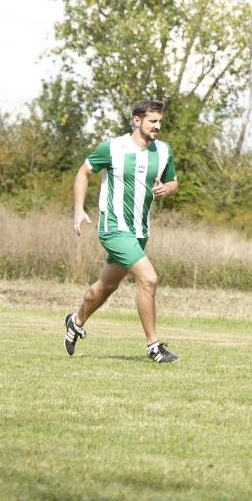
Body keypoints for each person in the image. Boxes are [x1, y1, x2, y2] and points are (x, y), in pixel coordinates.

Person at [65, 98, 180, 364]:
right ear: (137, 121)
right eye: (152, 121)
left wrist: (167, 188)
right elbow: (83, 173)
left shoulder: (164, 151)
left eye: (160, 122)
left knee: (106, 286)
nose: (157, 126)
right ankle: (154, 346)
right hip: (114, 228)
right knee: (149, 279)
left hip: (140, 232)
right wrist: (79, 209)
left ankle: (75, 321)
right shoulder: (113, 147)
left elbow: (174, 182)